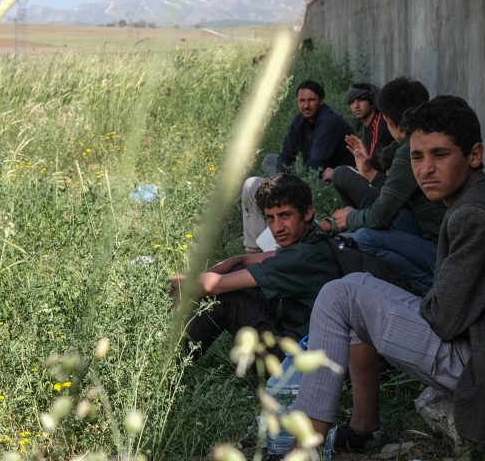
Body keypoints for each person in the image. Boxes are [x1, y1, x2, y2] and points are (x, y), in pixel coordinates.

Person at [292, 96, 485, 452]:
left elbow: (445, 320)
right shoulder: (475, 201)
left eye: (440, 155)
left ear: (474, 155)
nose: (426, 169)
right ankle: (362, 425)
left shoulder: (475, 215)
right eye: (417, 156)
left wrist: (399, 306)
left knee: (340, 297)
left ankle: (302, 450)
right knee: (351, 287)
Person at [172, 174, 344, 358]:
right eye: (270, 218)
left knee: (227, 299)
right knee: (238, 275)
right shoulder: (313, 236)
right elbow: (245, 260)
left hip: (298, 358)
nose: (277, 228)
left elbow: (211, 286)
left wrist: (166, 283)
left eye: (285, 215)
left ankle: (171, 363)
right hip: (306, 339)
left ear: (308, 213)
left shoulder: (302, 257)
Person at [319, 77, 446, 292]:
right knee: (354, 233)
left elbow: (380, 215)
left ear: (388, 120)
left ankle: (430, 288)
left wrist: (349, 219)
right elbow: (395, 195)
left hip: (443, 250)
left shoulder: (410, 150)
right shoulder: (422, 140)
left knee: (363, 238)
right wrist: (368, 172)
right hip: (428, 229)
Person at [242, 80, 354, 252]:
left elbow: (315, 164)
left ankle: (273, 226)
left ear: (321, 101)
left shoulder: (329, 122)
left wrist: (286, 184)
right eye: (302, 101)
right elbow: (286, 155)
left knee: (290, 182)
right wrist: (279, 181)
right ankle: (259, 237)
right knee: (270, 160)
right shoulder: (300, 121)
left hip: (331, 178)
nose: (306, 106)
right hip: (311, 171)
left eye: (311, 100)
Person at [322, 83, 393, 184]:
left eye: (361, 99)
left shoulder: (380, 122)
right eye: (352, 102)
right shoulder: (364, 127)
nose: (356, 106)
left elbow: (373, 163)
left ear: (371, 102)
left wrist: (337, 173)